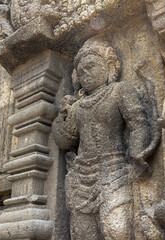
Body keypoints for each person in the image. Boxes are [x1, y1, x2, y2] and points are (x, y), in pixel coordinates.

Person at [52, 36, 156, 240]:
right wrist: (61, 116)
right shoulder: (78, 106)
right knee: (83, 234)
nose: (86, 74)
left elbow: (138, 123)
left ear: (109, 67)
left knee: (116, 231)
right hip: (81, 177)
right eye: (81, 71)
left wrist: (136, 153)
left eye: (91, 66)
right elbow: (66, 142)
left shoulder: (119, 91)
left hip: (114, 170)